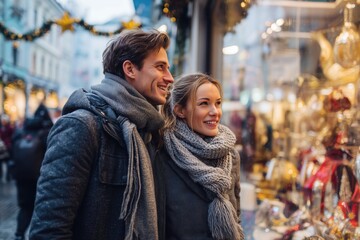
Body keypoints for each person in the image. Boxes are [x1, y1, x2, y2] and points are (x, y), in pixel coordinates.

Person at [29, 29, 174, 240]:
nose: (169, 78)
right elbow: (49, 229)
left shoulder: (150, 131)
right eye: (160, 67)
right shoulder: (82, 126)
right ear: (130, 69)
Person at [155, 73, 245, 240]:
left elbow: (236, 215)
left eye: (218, 103)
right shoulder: (162, 155)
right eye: (204, 104)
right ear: (180, 110)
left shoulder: (230, 154)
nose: (215, 112)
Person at [12, 103, 53, 240]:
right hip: (39, 176)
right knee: (40, 207)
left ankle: (19, 234)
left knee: (24, 207)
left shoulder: (23, 130)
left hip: (21, 175)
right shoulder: (47, 131)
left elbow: (13, 150)